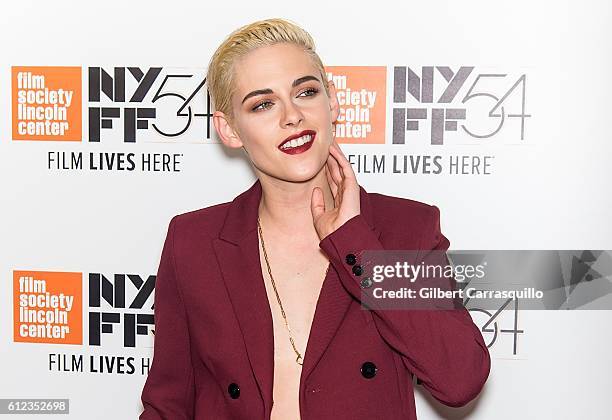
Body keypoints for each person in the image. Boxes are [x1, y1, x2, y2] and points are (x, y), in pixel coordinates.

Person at [139, 18, 490, 420]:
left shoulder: (404, 228)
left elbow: (460, 380)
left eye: (306, 92)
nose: (292, 116)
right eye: (263, 104)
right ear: (229, 130)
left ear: (332, 102)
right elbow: (167, 404)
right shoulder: (194, 241)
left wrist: (356, 245)